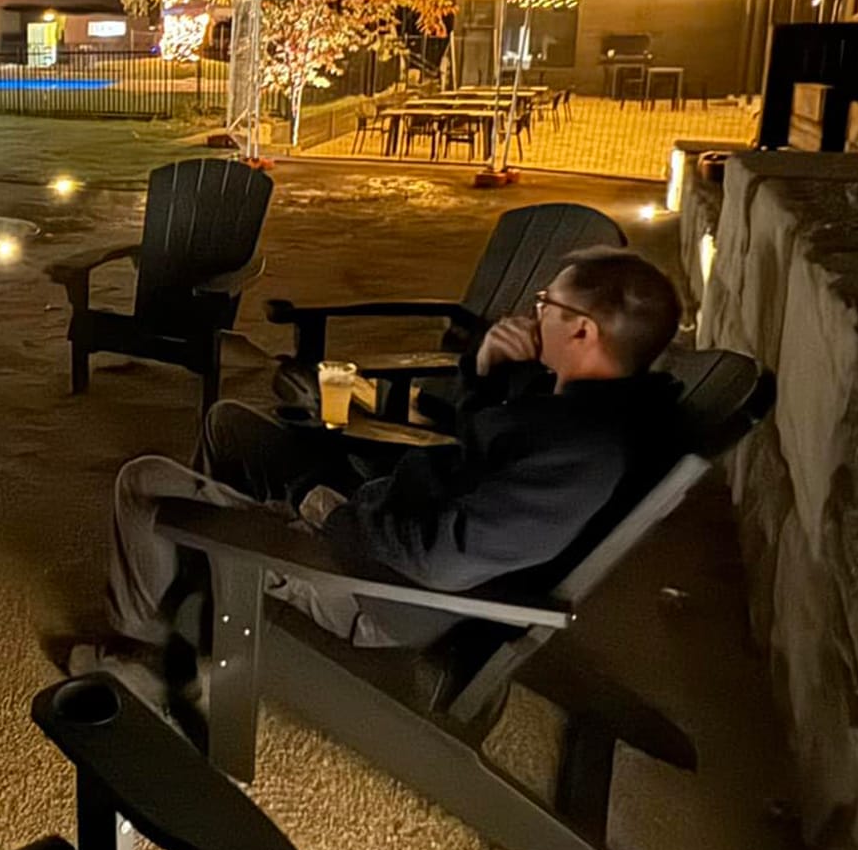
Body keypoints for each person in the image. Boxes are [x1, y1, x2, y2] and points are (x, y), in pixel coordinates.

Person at [85, 245, 686, 679]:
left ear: (581, 332)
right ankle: (209, 584)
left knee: (142, 483)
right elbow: (478, 451)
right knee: (230, 425)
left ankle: (147, 647)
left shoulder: (583, 455)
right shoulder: (574, 403)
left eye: (547, 303)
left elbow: (440, 559)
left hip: (384, 589)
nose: (534, 314)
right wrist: (486, 374)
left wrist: (328, 511)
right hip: (386, 514)